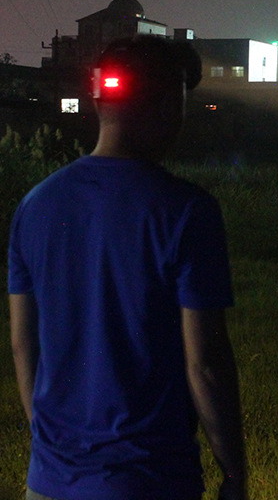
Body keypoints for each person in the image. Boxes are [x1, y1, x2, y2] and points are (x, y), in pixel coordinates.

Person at [8, 35, 248, 500]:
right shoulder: (186, 212)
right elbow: (206, 365)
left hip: (48, 483)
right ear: (164, 104)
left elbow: (23, 345)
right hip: (151, 480)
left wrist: (53, 452)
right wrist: (234, 472)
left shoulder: (33, 206)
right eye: (181, 98)